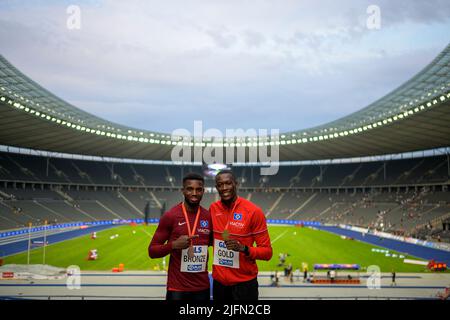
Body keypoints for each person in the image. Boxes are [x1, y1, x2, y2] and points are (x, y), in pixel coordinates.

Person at [210, 169, 273, 300]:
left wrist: (244, 248)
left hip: (245, 286)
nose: (224, 188)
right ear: (216, 187)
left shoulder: (254, 211)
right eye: (220, 185)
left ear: (236, 184)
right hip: (219, 285)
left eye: (228, 183)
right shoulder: (213, 209)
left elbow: (267, 253)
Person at [148, 173, 212, 300]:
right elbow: (152, 251)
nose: (194, 193)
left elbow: (214, 241)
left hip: (202, 288)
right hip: (177, 289)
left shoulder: (208, 216)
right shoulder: (170, 216)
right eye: (190, 189)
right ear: (183, 190)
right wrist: (174, 245)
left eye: (198, 189)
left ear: (203, 191)